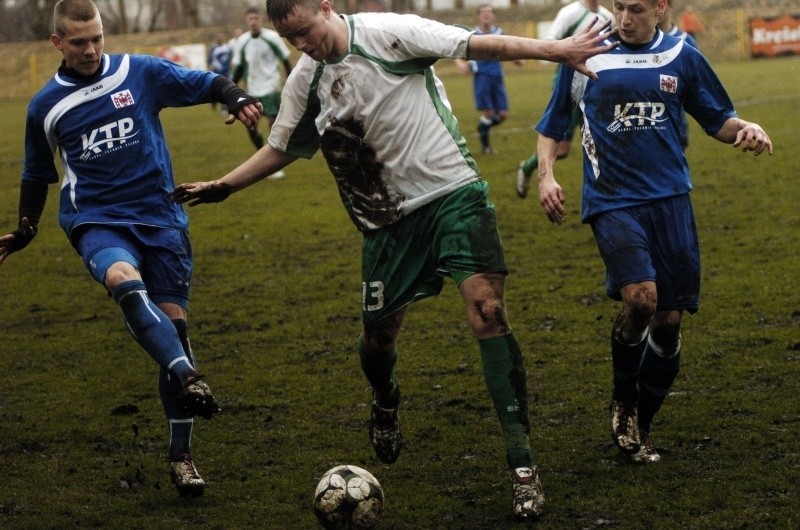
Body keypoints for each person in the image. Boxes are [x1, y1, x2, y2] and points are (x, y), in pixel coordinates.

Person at [170, 0, 617, 519]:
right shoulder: (307, 80)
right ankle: (386, 398)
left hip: (454, 195)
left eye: (306, 32)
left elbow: (476, 43)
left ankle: (523, 466)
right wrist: (226, 186)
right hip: (386, 225)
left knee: (489, 313)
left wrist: (556, 51)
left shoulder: (391, 34)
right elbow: (285, 146)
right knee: (378, 340)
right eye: (291, 38)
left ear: (325, 8)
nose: (303, 45)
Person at [0, 0, 263, 497]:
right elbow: (37, 172)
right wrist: (27, 228)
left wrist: (236, 95)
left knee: (175, 327)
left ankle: (181, 456)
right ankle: (187, 374)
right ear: (58, 43)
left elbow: (202, 83)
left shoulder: (136, 72)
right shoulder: (45, 106)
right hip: (95, 219)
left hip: (162, 219)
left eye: (97, 38)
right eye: (79, 42)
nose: (91, 49)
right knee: (123, 279)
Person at [535, 0, 772, 464]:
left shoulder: (682, 53)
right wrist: (546, 174)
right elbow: (553, 124)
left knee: (667, 323)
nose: (624, 18)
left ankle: (642, 426)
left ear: (661, 7)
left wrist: (746, 127)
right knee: (640, 299)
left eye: (636, 8)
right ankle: (624, 397)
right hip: (613, 201)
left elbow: (717, 119)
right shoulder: (584, 51)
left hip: (671, 203)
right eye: (619, 6)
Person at [515, 0, 614, 198]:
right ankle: (527, 167)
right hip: (571, 82)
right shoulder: (570, 13)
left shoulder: (607, 17)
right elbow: (551, 41)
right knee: (561, 148)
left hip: (598, 82)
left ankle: (612, 188)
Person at [232, 6, 293, 180]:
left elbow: (286, 61)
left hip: (271, 87)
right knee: (251, 125)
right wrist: (228, 91)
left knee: (274, 125)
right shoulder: (242, 42)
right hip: (252, 89)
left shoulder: (272, 37)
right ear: (246, 20)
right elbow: (240, 67)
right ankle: (261, 158)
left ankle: (272, 164)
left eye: (256, 18)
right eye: (250, 18)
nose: (253, 21)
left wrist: (291, 82)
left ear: (261, 19)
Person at [455, 4, 522, 155]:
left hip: (497, 78)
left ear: (493, 16)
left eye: (489, 12)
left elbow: (507, 49)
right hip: (482, 78)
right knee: (488, 112)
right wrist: (460, 64)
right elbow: (458, 52)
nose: (486, 15)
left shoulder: (499, 32)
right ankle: (486, 148)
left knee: (503, 114)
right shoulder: (472, 34)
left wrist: (516, 60)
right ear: (478, 16)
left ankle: (482, 127)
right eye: (483, 13)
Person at [659, 0, 696, 148]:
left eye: (662, 4)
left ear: (670, 6)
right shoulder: (639, 42)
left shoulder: (685, 41)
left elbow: (695, 87)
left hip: (676, 124)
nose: (659, 9)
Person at [208, 31, 233, 113]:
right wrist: (211, 69)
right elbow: (210, 61)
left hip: (226, 72)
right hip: (217, 73)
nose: (220, 39)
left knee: (226, 90)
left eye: (221, 37)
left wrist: (230, 64)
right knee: (216, 91)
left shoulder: (226, 47)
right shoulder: (213, 48)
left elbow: (229, 58)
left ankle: (224, 108)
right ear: (216, 39)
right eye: (218, 37)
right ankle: (213, 103)